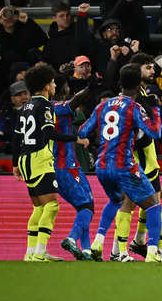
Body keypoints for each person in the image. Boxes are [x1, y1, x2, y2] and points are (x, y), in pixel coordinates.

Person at [77, 63, 162, 262]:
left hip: (101, 166)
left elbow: (82, 131)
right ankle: (152, 253)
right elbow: (155, 132)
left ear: (120, 83)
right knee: (153, 205)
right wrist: (156, 109)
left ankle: (98, 242)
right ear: (138, 85)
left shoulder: (103, 105)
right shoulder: (135, 107)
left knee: (117, 200)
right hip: (123, 165)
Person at [12, 64, 89, 262]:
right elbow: (49, 133)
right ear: (46, 85)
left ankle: (30, 253)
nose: (55, 85)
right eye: (53, 82)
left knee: (38, 208)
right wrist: (75, 138)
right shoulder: (45, 105)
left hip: (24, 159)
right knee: (51, 206)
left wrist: (15, 164)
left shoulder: (25, 106)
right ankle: (40, 252)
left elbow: (16, 138)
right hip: (40, 158)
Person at [109, 54, 162, 262]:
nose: (153, 71)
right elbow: (145, 131)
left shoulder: (144, 94)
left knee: (152, 201)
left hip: (148, 161)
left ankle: (134, 243)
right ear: (137, 71)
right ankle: (132, 250)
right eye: (148, 67)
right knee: (138, 204)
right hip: (136, 162)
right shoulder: (138, 99)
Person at [51, 76, 94, 261]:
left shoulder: (44, 109)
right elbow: (76, 101)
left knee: (85, 205)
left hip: (67, 166)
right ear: (64, 88)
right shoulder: (58, 107)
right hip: (65, 166)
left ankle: (86, 251)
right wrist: (91, 86)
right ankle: (71, 238)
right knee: (86, 205)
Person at [0, 81, 30, 153]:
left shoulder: (39, 111)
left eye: (26, 93)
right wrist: (8, 147)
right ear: (12, 99)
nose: (24, 97)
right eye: (18, 95)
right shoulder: (5, 115)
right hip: (11, 157)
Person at [43, 3, 80, 71]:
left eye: (67, 15)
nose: (65, 18)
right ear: (54, 18)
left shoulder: (77, 34)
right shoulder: (51, 41)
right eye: (61, 16)